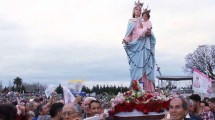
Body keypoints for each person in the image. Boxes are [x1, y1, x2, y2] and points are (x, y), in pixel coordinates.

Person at [123, 0, 156, 92]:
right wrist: (125, 40)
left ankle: (148, 90)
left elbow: (152, 35)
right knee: (136, 68)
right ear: (133, 11)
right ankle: (137, 91)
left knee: (146, 67)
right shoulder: (131, 22)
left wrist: (150, 34)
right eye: (136, 9)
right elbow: (128, 35)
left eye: (139, 9)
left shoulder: (144, 21)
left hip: (144, 47)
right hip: (135, 47)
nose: (138, 11)